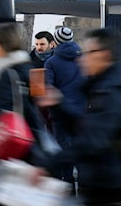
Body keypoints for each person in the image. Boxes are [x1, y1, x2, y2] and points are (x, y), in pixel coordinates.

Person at [34, 28, 121, 205]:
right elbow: (85, 127)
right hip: (101, 187)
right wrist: (58, 105)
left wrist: (49, 165)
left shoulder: (113, 92)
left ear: (103, 55)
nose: (82, 58)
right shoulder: (103, 85)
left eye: (88, 53)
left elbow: (93, 140)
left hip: (110, 190)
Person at [0, 22, 52, 205]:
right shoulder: (29, 68)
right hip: (26, 150)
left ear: (3, 45)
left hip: (3, 156)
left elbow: (4, 118)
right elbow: (36, 112)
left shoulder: (4, 73)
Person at [43, 26, 86, 191]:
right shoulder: (82, 59)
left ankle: (67, 184)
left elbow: (48, 86)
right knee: (80, 147)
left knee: (63, 147)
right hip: (81, 112)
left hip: (60, 113)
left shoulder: (51, 62)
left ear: (56, 42)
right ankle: (83, 184)